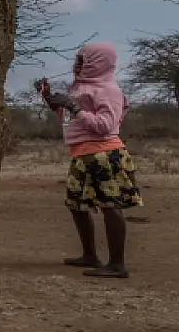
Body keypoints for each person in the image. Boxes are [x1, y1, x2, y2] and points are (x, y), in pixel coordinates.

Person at [36, 41, 139, 280]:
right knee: (76, 205)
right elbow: (70, 118)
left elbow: (105, 126)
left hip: (104, 153)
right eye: (78, 59)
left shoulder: (108, 90)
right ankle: (89, 255)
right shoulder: (81, 88)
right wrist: (49, 97)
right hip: (82, 154)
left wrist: (73, 107)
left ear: (97, 62)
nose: (76, 64)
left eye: (82, 60)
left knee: (109, 206)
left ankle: (116, 264)